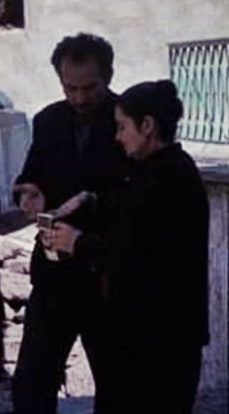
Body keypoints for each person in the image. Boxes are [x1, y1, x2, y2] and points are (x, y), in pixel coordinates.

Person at [45, 79, 209, 413]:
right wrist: (87, 200)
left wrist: (76, 243)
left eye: (122, 127)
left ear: (147, 126)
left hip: (160, 340)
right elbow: (124, 211)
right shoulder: (150, 172)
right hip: (137, 334)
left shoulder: (171, 178)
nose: (117, 137)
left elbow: (140, 255)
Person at [11, 33, 128, 414]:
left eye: (88, 88)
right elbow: (30, 176)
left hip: (107, 278)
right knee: (31, 385)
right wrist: (28, 194)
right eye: (69, 88)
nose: (78, 98)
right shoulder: (48, 121)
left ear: (108, 77)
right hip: (53, 276)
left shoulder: (127, 121)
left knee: (117, 384)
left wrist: (88, 221)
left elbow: (137, 198)